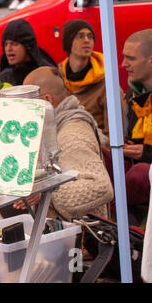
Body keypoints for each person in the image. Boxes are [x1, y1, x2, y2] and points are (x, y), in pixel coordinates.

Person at [12, 66, 114, 221]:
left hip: (80, 239)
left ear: (47, 100)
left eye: (27, 101)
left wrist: (46, 193)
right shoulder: (54, 128)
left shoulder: (72, 135)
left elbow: (101, 187)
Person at [58, 19, 120, 140]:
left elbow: (114, 135)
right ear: (68, 42)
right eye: (80, 36)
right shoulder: (58, 78)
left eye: (90, 37)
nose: (87, 40)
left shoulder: (106, 84)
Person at [117, 29, 152, 224]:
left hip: (144, 171)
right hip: (133, 165)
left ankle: (121, 219)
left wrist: (146, 153)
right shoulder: (132, 96)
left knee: (139, 175)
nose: (123, 64)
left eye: (131, 58)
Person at [0, 19, 55, 87]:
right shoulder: (4, 77)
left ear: (27, 46)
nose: (8, 49)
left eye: (14, 44)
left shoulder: (46, 74)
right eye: (6, 44)